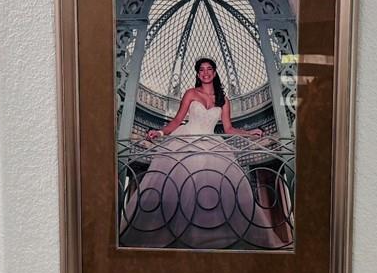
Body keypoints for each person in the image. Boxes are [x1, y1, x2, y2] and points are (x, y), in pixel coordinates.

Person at [121, 58, 289, 250]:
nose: (205, 72)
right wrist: (160, 132)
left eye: (209, 69)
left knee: (213, 188)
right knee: (178, 185)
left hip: (210, 143)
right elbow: (176, 121)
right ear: (198, 74)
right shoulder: (191, 93)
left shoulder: (223, 100)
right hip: (186, 140)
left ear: (215, 73)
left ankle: (207, 237)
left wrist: (250, 133)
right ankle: (173, 235)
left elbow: (229, 129)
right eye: (201, 70)